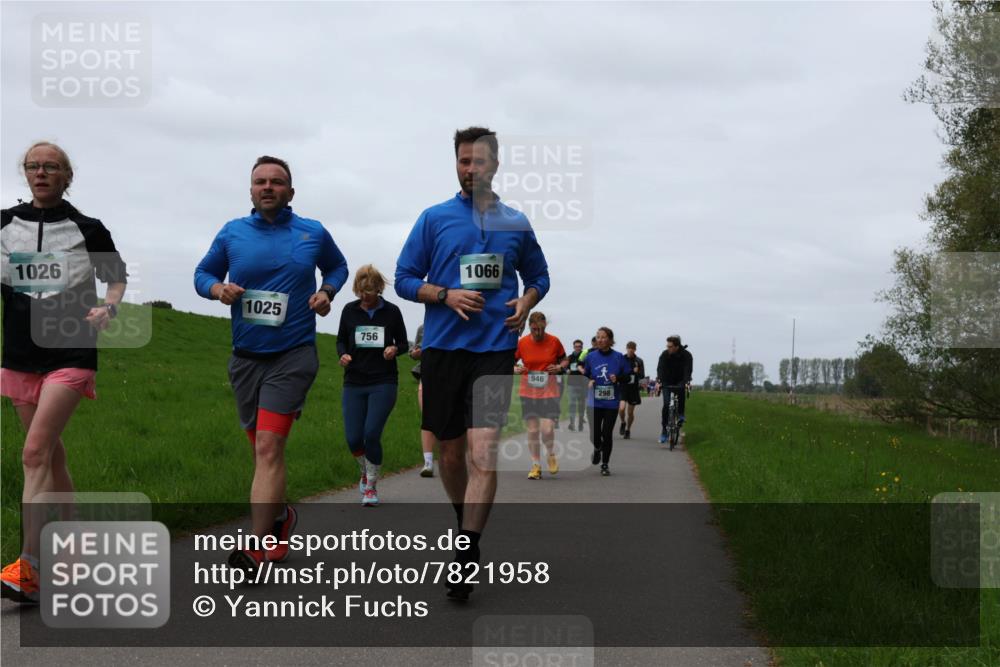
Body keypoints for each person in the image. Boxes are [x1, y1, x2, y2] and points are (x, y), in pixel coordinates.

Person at [395, 126, 549, 600]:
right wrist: (444, 294)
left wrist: (526, 301)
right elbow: (403, 278)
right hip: (443, 350)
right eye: (463, 161)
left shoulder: (516, 222)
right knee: (450, 454)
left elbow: (539, 276)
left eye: (479, 161)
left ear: (495, 165)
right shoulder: (434, 218)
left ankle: (465, 553)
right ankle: (466, 522)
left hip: (495, 350)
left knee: (483, 451)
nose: (470, 169)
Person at [194, 155, 348, 573]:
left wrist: (327, 291)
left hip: (293, 354)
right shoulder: (232, 232)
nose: (267, 187)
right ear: (250, 191)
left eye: (276, 182)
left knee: (268, 446)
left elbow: (337, 266)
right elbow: (202, 273)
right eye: (260, 181)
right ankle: (280, 518)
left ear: (290, 192)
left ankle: (256, 547)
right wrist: (217, 289)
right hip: (246, 359)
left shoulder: (312, 232)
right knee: (261, 450)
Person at [1, 142, 128, 603]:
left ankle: (29, 568)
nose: (41, 172)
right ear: (25, 173)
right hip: (19, 355)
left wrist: (109, 307)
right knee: (51, 456)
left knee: (34, 453)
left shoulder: (87, 228)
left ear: (66, 176)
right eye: (33, 166)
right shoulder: (4, 224)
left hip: (70, 350)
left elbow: (115, 277)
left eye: (50, 167)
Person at [337, 265, 408, 506]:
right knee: (353, 439)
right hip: (354, 381)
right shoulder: (349, 310)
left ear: (378, 288)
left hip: (383, 381)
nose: (364, 296)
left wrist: (395, 348)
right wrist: (343, 355)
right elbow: (340, 341)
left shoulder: (392, 311)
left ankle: (371, 486)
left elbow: (404, 343)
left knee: (371, 434)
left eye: (368, 291)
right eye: (360, 291)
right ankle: (364, 471)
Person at [514, 312, 567, 479]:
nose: (538, 333)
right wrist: (515, 368)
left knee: (547, 429)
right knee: (532, 430)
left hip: (549, 390)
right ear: (529, 327)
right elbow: (511, 361)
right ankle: (535, 465)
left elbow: (564, 360)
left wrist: (559, 367)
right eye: (534, 329)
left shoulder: (554, 341)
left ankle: (550, 454)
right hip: (528, 391)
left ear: (545, 326)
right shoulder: (522, 343)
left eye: (541, 329)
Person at [580, 327, 630, 476]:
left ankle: (605, 464)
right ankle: (597, 448)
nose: (600, 340)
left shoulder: (619, 357)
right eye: (598, 337)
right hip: (594, 402)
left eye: (603, 337)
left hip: (611, 402)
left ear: (610, 339)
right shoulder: (591, 357)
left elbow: (628, 377)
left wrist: (618, 378)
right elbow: (586, 375)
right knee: (594, 434)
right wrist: (588, 381)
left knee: (607, 434)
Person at [409, 323, 437, 477]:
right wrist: (416, 353)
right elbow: (413, 352)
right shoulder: (423, 327)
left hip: (453, 376)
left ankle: (458, 456)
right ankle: (428, 463)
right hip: (427, 375)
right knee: (427, 418)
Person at [656, 335, 693, 444]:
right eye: (667, 346)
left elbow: (688, 369)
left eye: (670, 346)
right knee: (666, 404)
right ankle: (664, 431)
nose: (668, 348)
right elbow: (660, 368)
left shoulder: (686, 355)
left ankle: (681, 414)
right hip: (667, 381)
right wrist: (659, 381)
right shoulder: (664, 354)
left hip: (680, 380)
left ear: (677, 346)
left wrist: (686, 381)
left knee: (681, 391)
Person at [617, 341, 645, 439]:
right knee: (621, 409)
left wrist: (637, 372)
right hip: (623, 387)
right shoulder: (621, 359)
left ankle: (628, 430)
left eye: (632, 348)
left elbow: (642, 375)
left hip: (633, 388)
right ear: (626, 348)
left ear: (635, 349)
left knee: (630, 413)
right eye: (629, 348)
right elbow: (618, 373)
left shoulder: (639, 361)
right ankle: (623, 422)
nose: (630, 350)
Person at [565, 339, 587, 431]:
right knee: (572, 404)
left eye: (579, 346)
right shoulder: (569, 357)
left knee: (581, 404)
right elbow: (564, 367)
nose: (577, 348)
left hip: (582, 384)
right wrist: (567, 370)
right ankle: (572, 423)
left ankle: (580, 423)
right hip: (571, 383)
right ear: (573, 347)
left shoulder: (585, 357)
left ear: (582, 347)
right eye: (576, 346)